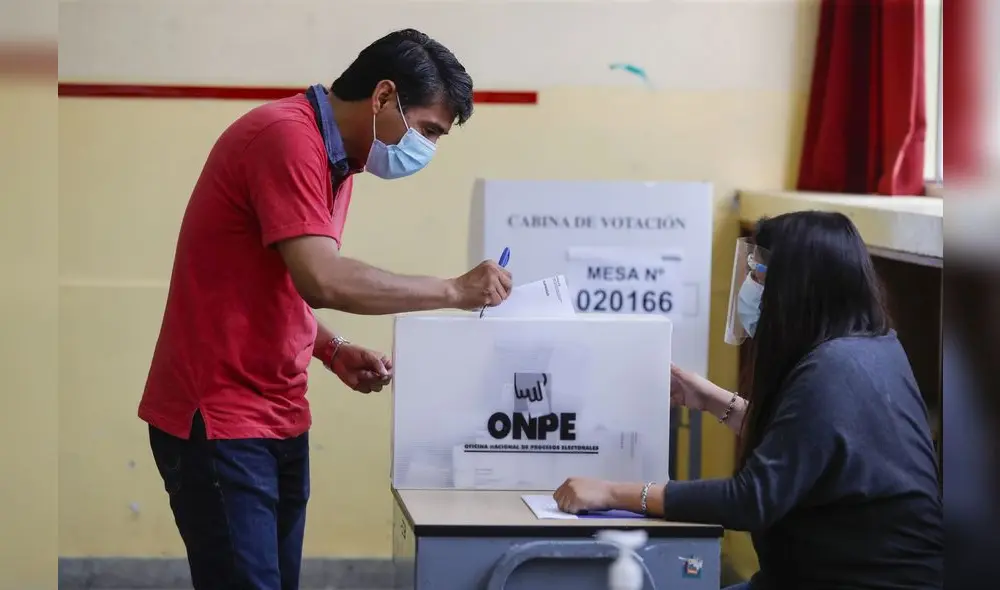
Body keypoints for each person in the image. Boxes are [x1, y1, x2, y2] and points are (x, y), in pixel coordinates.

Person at [138, 29, 512, 590]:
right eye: (429, 131)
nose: (427, 150)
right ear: (383, 97)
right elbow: (323, 278)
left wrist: (332, 350)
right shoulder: (286, 139)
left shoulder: (341, 162)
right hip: (219, 415)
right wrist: (456, 291)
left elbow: (273, 285)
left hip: (276, 412)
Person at [554, 211, 944, 589]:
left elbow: (751, 498)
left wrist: (612, 493)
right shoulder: (873, 348)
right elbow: (806, 446)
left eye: (759, 274)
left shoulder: (831, 371)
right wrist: (711, 399)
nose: (750, 286)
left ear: (797, 288)